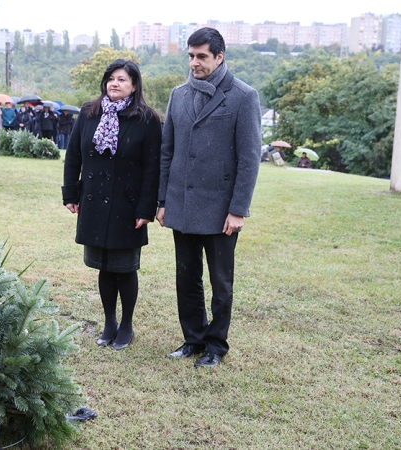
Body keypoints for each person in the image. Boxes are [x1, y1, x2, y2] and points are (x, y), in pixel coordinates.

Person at [156, 27, 261, 367]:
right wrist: (162, 201)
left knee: (220, 283)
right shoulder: (178, 95)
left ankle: (216, 346)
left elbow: (249, 158)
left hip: (220, 210)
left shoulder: (243, 96)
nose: (194, 62)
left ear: (219, 57)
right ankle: (193, 339)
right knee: (186, 277)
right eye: (190, 56)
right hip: (182, 204)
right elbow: (167, 151)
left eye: (201, 56)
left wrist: (238, 209)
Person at [62, 59, 162, 351]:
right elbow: (73, 156)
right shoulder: (89, 112)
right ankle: (109, 322)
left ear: (134, 85)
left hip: (127, 206)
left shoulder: (147, 119)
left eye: (122, 79)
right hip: (93, 200)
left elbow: (152, 168)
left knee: (125, 267)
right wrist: (70, 193)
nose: (115, 83)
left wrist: (146, 208)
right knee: (103, 267)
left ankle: (127, 324)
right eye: (111, 78)